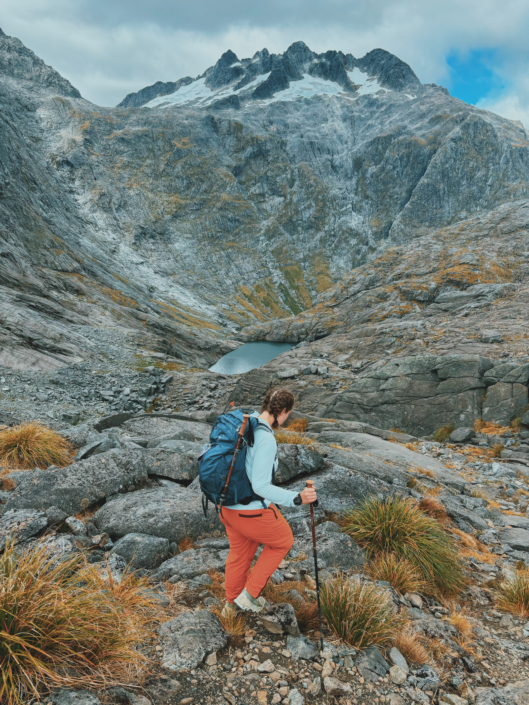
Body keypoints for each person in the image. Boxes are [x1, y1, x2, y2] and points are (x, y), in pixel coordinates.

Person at [220, 388, 318, 615]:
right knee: (283, 540)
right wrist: (296, 498)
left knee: (239, 554)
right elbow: (261, 486)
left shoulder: (246, 422)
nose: (287, 418)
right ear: (282, 411)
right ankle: (249, 595)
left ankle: (230, 606)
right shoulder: (265, 438)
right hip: (250, 512)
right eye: (288, 414)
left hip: (227, 505)